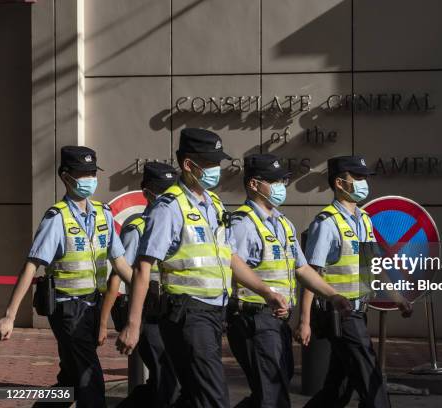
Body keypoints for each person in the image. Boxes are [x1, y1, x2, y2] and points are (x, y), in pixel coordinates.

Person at [116, 128, 288, 408]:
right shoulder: (169, 207)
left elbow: (230, 258)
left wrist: (265, 292)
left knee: (193, 396)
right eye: (209, 163)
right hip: (187, 314)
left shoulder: (214, 205)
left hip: (211, 315)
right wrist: (133, 325)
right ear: (188, 165)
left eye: (217, 163)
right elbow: (142, 267)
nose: (215, 170)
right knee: (214, 398)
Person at [0, 146, 132, 407]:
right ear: (65, 177)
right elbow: (31, 265)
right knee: (90, 380)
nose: (88, 179)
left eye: (92, 173)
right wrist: (10, 315)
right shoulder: (56, 218)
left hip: (92, 306)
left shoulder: (104, 214)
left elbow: (121, 263)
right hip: (67, 308)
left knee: (70, 379)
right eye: (82, 174)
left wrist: (145, 290)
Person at [227, 153, 352, 408]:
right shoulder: (242, 223)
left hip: (277, 319)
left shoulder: (284, 224)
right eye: (273, 181)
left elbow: (303, 268)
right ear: (254, 184)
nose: (280, 187)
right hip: (253, 318)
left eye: (282, 181)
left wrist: (333, 295)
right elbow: (231, 263)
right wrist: (266, 293)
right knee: (272, 396)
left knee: (272, 390)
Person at [300, 155, 411, 408]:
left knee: (338, 388)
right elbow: (311, 272)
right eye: (358, 178)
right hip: (340, 314)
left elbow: (374, 265)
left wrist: (398, 299)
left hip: (359, 312)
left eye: (364, 178)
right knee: (370, 378)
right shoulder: (326, 223)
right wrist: (304, 321)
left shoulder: (364, 220)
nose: (363, 183)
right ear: (340, 183)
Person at [99, 161, 180, 407]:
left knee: (165, 379)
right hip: (144, 313)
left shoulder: (173, 226)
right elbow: (117, 278)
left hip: (165, 311)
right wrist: (103, 324)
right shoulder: (137, 229)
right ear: (146, 192)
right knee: (166, 379)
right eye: (161, 189)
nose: (168, 196)